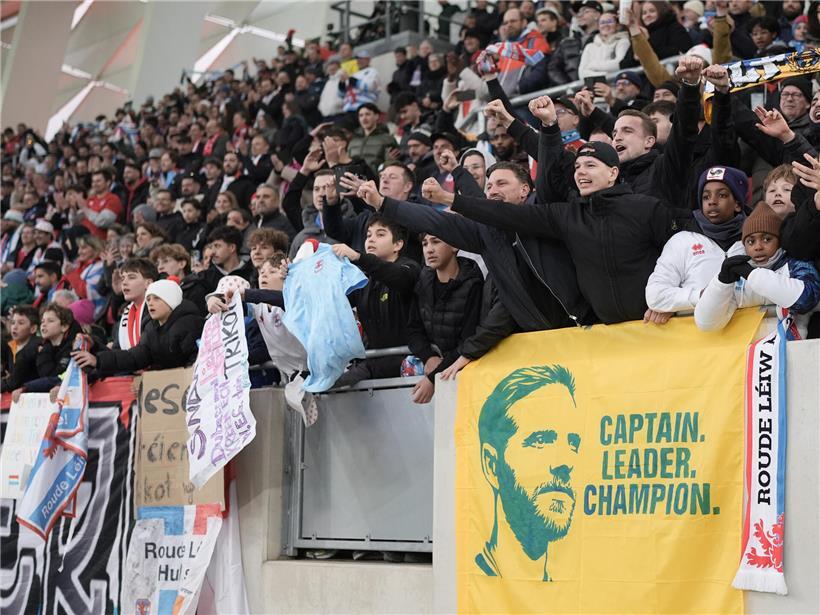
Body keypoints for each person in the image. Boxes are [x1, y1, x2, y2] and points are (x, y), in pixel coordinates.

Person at [436, 138, 679, 324]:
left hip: (657, 327)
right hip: (603, 336)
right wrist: (451, 199)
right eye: (577, 166)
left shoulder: (646, 208)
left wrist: (668, 300)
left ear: (613, 173)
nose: (581, 172)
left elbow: (681, 255)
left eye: (590, 165)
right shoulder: (566, 215)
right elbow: (502, 214)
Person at [475, 364, 582, 581]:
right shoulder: (469, 581)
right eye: (541, 440)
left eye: (573, 443)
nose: (565, 463)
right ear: (492, 465)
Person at [695, 202, 820, 339]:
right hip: (745, 351)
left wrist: (752, 275)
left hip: (792, 350)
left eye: (766, 239)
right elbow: (707, 323)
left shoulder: (797, 265)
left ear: (779, 241)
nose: (758, 247)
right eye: (751, 241)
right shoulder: (738, 274)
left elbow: (806, 300)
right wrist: (721, 283)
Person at [645, 166, 749, 322]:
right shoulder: (681, 241)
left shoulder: (757, 240)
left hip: (751, 332)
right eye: (706, 197)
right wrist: (699, 296)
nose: (712, 201)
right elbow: (655, 295)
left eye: (721, 195)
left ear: (737, 204)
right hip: (695, 334)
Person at [333, 214, 421, 386]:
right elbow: (331, 302)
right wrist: (292, 278)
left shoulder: (410, 268)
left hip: (409, 366)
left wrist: (358, 257)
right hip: (373, 365)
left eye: (380, 234)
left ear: (398, 244)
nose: (371, 239)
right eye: (368, 235)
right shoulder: (362, 279)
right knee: (326, 385)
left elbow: (397, 277)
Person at [406, 234, 484, 404]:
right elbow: (413, 329)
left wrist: (434, 377)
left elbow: (468, 340)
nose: (429, 249)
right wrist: (428, 357)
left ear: (455, 246)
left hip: (468, 372)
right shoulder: (423, 280)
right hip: (438, 368)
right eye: (425, 244)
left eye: (436, 242)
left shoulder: (473, 284)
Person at [73, 279, 204, 374]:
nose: (150, 303)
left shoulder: (190, 324)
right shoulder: (151, 328)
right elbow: (133, 358)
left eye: (157, 298)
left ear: (171, 301)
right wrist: (97, 360)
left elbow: (197, 362)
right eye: (148, 299)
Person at [113, 257, 158, 350]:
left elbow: (145, 351)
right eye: (123, 278)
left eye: (131, 277)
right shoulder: (125, 313)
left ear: (148, 283)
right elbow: (116, 350)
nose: (124, 283)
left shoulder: (156, 311)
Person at [198, 225, 255, 293]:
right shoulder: (205, 277)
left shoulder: (252, 272)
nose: (212, 252)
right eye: (211, 247)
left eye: (217, 246)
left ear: (232, 247)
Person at [578, 11, 630, 80]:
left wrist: (592, 65)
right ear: (598, 27)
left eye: (609, 21)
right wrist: (605, 75)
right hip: (595, 85)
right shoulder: (589, 47)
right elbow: (582, 73)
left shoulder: (623, 41)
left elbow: (619, 64)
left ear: (617, 25)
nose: (606, 25)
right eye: (602, 22)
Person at [348, 103, 397, 175]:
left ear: (376, 116)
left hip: (378, 179)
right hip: (354, 179)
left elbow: (393, 164)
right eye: (361, 115)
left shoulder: (387, 139)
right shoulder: (353, 141)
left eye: (367, 114)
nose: (364, 118)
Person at [1, 306, 40, 392]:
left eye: (21, 323)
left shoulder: (36, 346)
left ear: (33, 329)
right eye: (13, 322)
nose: (15, 327)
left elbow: (13, 382)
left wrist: (8, 379)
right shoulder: (9, 345)